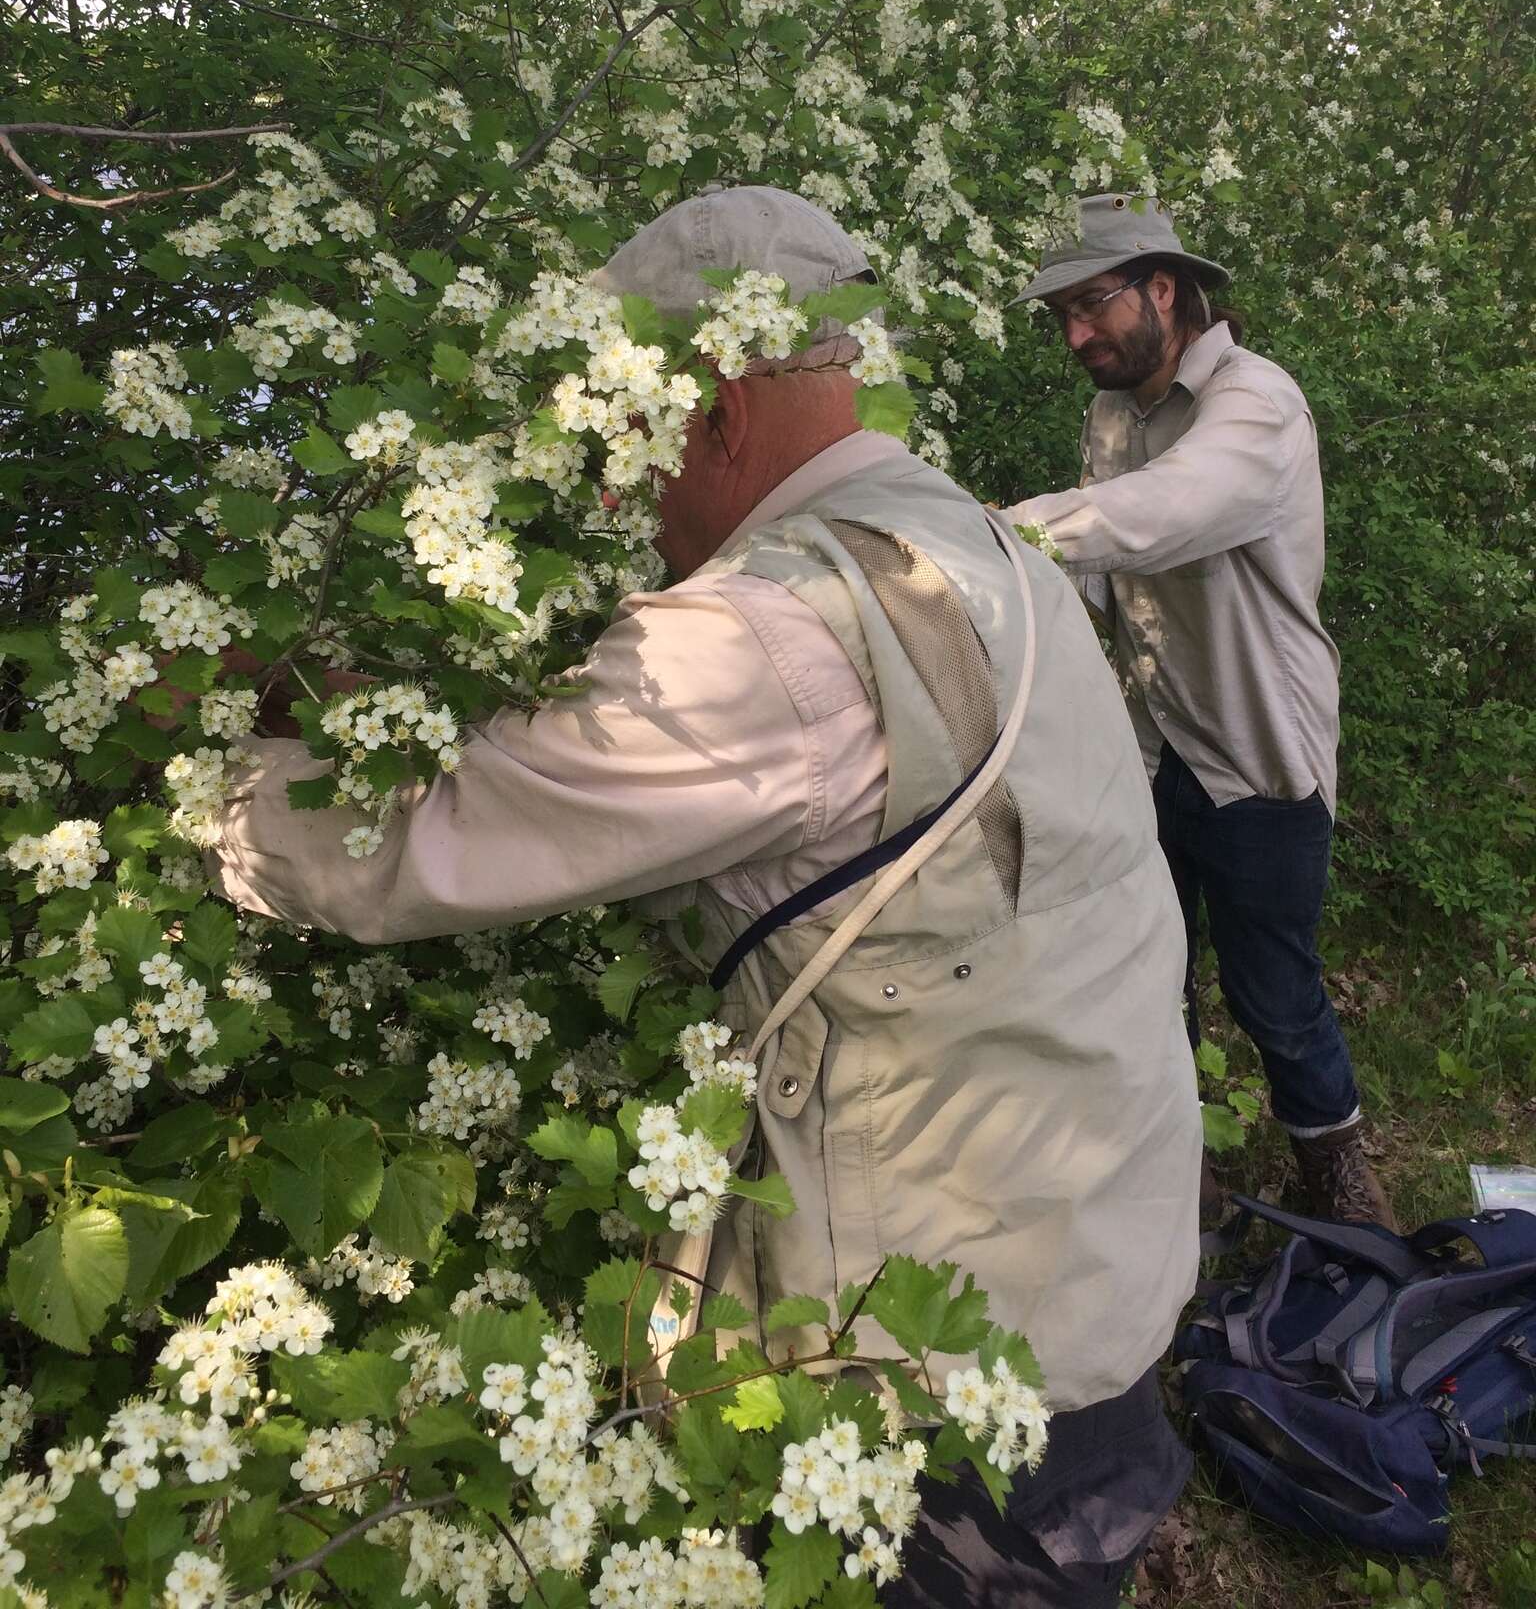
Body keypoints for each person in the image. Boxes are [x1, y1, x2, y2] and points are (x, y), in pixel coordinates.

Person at [209, 185, 1203, 1608]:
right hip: (1091, 1252)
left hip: (939, 1396)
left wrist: (203, 790)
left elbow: (422, 844)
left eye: (636, 437)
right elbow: (646, 776)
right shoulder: (972, 545)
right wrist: (386, 714)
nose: (622, 492)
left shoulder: (764, 637)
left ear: (720, 415)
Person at [1002, 191, 1395, 1231]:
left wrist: (997, 536)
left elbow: (1161, 516)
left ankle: (1349, 1203)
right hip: (1150, 751)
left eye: (1092, 306)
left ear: (1163, 288)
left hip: (1259, 763)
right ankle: (1183, 1189)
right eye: (1062, 317)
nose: (1077, 335)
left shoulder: (1257, 406)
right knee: (1143, 978)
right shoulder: (1113, 412)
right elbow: (1102, 584)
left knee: (1277, 998)